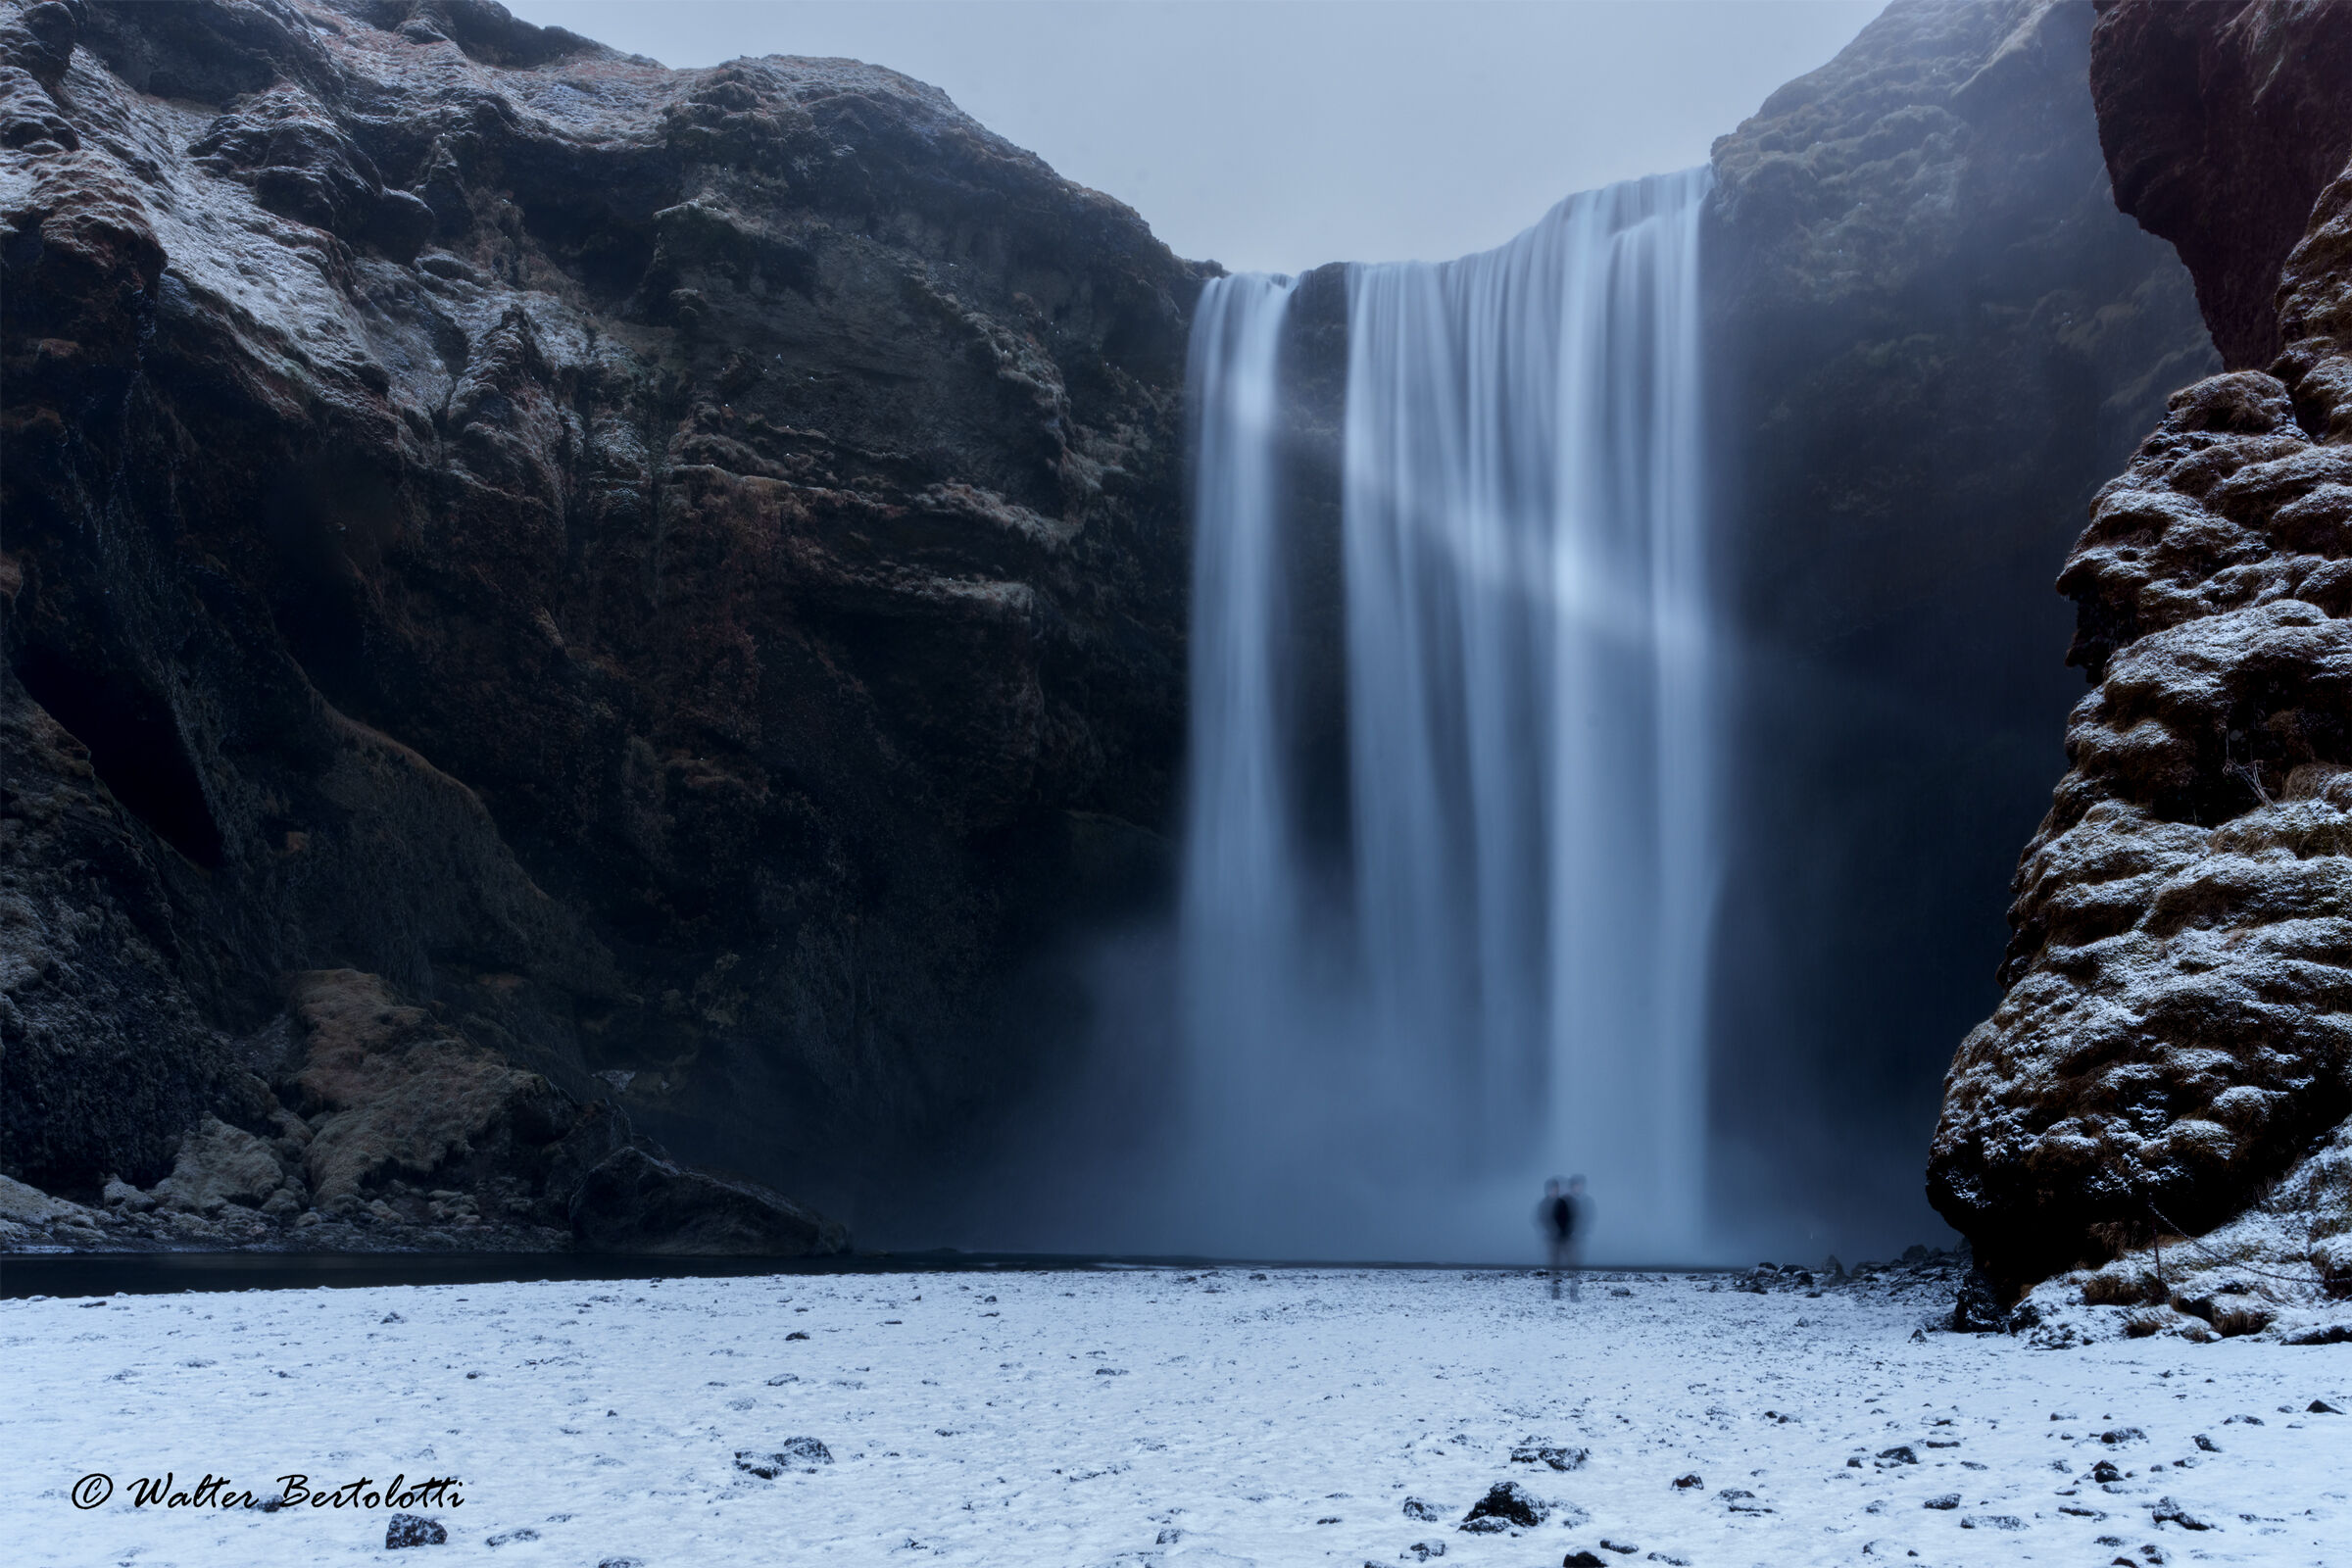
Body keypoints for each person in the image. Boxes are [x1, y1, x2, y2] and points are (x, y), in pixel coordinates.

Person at [1537, 1176, 1581, 1300]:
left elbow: (1571, 1217)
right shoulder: (1545, 1203)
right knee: (1555, 1266)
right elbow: (1542, 1219)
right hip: (1553, 1239)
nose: (1555, 1190)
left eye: (1556, 1188)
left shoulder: (1563, 1202)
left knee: (1572, 1264)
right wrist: (1551, 1231)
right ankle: (1555, 1292)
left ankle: (1573, 1292)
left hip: (1566, 1238)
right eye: (1553, 1188)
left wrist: (1570, 1232)